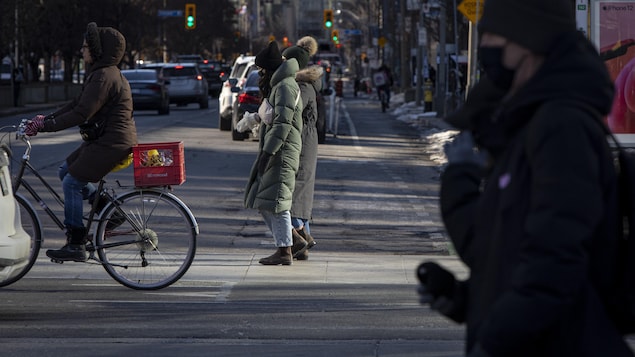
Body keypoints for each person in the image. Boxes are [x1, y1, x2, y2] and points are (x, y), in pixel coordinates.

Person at [417, 0, 634, 356]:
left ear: (529, 40)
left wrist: (497, 339)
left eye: (494, 35)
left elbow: (555, 264)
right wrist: (464, 299)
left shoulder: (562, 127)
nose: (485, 46)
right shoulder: (530, 126)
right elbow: (504, 250)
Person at [24, 22, 137, 262]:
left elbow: (81, 113)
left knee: (72, 183)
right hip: (107, 139)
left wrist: (44, 127)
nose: (81, 50)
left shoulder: (104, 76)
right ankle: (110, 212)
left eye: (85, 46)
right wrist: (44, 119)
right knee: (65, 171)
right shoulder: (100, 73)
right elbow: (76, 104)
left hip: (112, 143)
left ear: (97, 50)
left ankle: (75, 244)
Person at [244, 41, 303, 266]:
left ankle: (285, 250)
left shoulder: (286, 87)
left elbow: (282, 124)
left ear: (269, 68)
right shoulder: (279, 86)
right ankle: (292, 240)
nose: (260, 74)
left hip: (282, 152)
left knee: (276, 201)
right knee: (264, 200)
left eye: (261, 70)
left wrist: (268, 153)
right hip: (277, 150)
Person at [281, 36, 323, 260]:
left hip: (303, 140)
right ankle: (303, 239)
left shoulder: (302, 86)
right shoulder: (303, 84)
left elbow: (291, 112)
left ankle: (300, 237)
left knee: (296, 188)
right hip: (306, 139)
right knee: (301, 188)